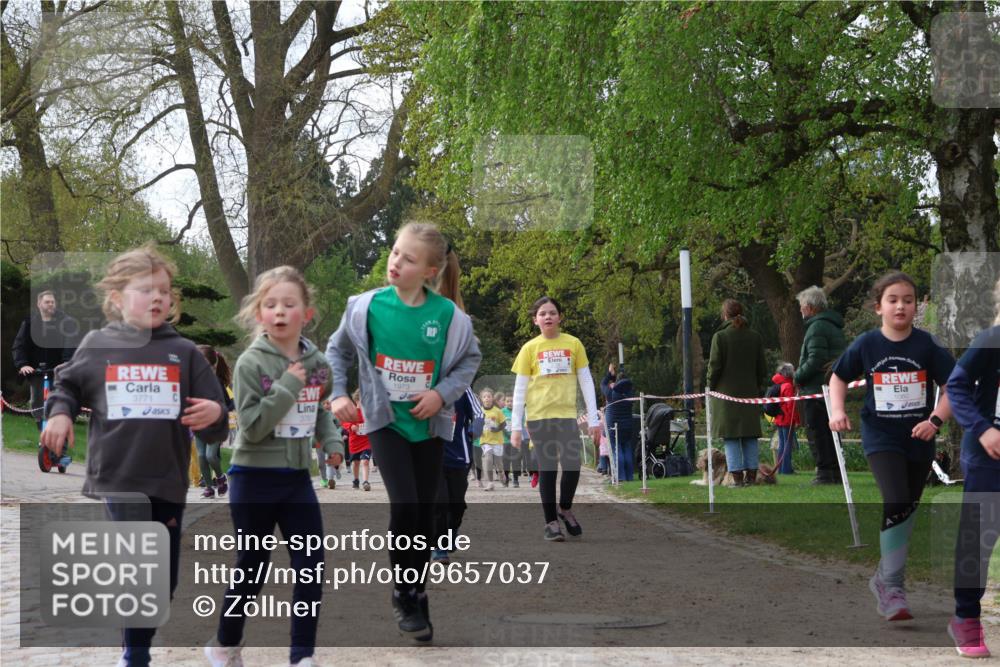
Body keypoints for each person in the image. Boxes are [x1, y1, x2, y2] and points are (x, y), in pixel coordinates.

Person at [40, 245, 229, 667]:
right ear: (117, 298)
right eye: (146, 290)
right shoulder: (99, 344)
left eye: (164, 291)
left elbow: (217, 413)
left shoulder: (184, 352)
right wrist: (59, 414)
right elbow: (66, 385)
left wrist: (216, 415)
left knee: (163, 581)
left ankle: (136, 639)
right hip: (119, 476)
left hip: (167, 479)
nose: (158, 297)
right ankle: (136, 655)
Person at [326, 221, 481, 643]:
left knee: (426, 512)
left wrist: (441, 394)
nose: (396, 262)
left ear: (430, 271)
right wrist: (338, 392)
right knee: (406, 504)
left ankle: (417, 590)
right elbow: (337, 351)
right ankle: (403, 595)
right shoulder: (366, 307)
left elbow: (469, 360)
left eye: (408, 259)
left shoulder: (450, 317)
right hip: (385, 421)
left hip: (429, 425)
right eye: (395, 252)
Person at [205, 266, 344, 667]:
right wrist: (288, 385)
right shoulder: (250, 364)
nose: (280, 311)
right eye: (270, 304)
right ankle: (225, 643)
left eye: (289, 304)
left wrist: (332, 441)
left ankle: (302, 656)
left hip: (297, 480)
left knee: (311, 567)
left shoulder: (318, 364)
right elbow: (252, 425)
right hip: (253, 480)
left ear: (307, 314)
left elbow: (318, 410)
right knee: (252, 568)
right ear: (258, 313)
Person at [829, 271, 954, 623]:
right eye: (893, 300)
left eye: (908, 300)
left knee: (907, 509)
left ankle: (884, 576)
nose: (901, 306)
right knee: (896, 499)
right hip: (881, 436)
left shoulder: (927, 345)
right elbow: (838, 377)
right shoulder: (867, 344)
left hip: (919, 437)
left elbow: (953, 386)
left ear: (916, 306)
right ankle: (893, 587)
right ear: (878, 307)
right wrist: (837, 410)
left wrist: (935, 421)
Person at [510, 296, 601, 541]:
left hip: (566, 416)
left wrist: (594, 420)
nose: (547, 316)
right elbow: (519, 389)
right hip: (539, 417)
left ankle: (565, 508)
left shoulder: (574, 343)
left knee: (572, 465)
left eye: (552, 312)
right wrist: (515, 426)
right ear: (535, 320)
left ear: (560, 317)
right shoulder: (529, 349)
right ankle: (550, 522)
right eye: (542, 313)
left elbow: (586, 381)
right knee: (548, 468)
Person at [946, 276, 1000, 658]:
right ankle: (966, 617)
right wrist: (983, 429)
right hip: (988, 455)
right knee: (979, 538)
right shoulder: (991, 340)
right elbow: (956, 385)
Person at [707, 299, 768, 487]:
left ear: (725, 315)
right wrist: (755, 387)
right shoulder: (755, 337)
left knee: (731, 436)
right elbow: (762, 369)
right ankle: (751, 477)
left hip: (726, 396)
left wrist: (710, 387)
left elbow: (714, 367)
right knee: (750, 435)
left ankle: (737, 479)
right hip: (749, 394)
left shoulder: (720, 337)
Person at [794, 285, 848, 485]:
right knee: (831, 432)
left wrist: (798, 376)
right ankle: (835, 472)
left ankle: (825, 473)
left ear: (810, 307)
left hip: (816, 388)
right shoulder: (833, 326)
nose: (801, 310)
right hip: (831, 387)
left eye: (802, 306)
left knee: (817, 432)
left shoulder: (816, 327)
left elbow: (816, 359)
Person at [12, 290, 78, 430]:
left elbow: (70, 343)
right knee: (37, 402)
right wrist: (22, 364)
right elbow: (19, 345)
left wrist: (66, 362)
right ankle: (42, 431)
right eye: (47, 302)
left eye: (53, 302)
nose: (51, 304)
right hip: (36, 370)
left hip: (58, 370)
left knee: (59, 403)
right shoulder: (30, 322)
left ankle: (60, 437)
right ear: (39, 304)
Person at [432, 386, 483, 563]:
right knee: (439, 502)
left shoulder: (462, 387)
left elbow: (479, 413)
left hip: (459, 454)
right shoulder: (424, 383)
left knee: (456, 503)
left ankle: (452, 529)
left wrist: (474, 430)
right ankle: (439, 546)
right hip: (431, 454)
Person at [195, 345, 234, 498]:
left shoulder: (216, 382)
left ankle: (220, 477)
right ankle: (209, 488)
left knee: (211, 456)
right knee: (201, 456)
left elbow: (229, 403)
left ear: (211, 364)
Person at [602, 363, 636, 482]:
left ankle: (620, 476)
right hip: (627, 426)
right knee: (627, 449)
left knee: (616, 450)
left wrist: (610, 374)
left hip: (614, 426)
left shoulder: (611, 393)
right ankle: (629, 476)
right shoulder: (630, 394)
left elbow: (603, 384)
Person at [770, 362, 800, 475]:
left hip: (779, 418)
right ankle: (786, 469)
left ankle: (781, 469)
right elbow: (790, 406)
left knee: (783, 444)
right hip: (787, 419)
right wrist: (796, 420)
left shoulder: (780, 384)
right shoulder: (788, 386)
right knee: (787, 445)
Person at [341, 389, 373, 491]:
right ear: (356, 400)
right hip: (354, 442)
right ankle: (356, 480)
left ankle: (366, 482)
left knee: (365, 461)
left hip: (366, 441)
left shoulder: (369, 412)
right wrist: (351, 426)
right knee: (356, 463)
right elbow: (344, 422)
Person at [479, 387, 506, 491]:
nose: (487, 398)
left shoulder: (497, 411)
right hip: (485, 440)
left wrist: (497, 429)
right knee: (488, 458)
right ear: (482, 399)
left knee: (498, 463)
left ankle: (501, 473)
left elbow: (503, 424)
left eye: (489, 396)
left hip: (497, 440)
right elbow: (475, 424)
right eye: (484, 397)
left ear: (492, 398)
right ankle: (490, 482)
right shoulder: (479, 411)